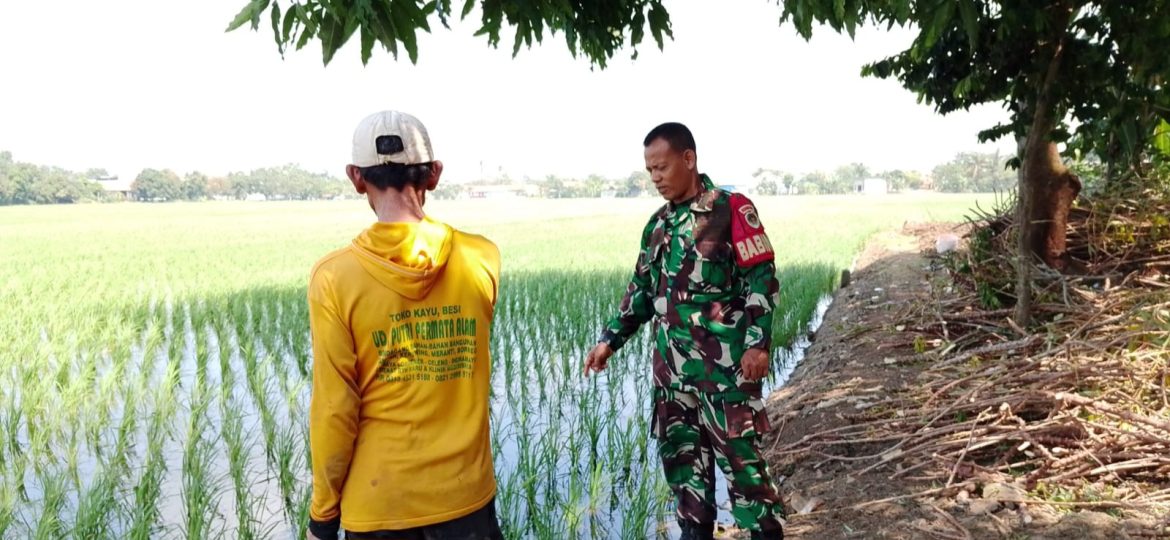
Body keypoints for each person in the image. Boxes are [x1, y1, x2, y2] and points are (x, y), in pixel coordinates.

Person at [307, 111, 504, 540]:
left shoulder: (334, 278)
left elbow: (334, 409)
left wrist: (322, 516)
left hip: (379, 507)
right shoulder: (482, 257)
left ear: (356, 177)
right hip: (465, 500)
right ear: (434, 174)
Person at [584, 122, 786, 540]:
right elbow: (641, 289)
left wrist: (757, 344)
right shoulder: (657, 225)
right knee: (687, 485)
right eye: (649, 170)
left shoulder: (731, 210)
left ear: (688, 159)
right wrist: (609, 340)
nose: (655, 177)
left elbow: (761, 279)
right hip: (672, 379)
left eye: (661, 167)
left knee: (746, 478)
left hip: (725, 376)